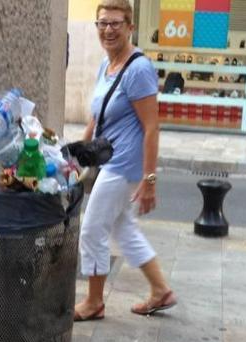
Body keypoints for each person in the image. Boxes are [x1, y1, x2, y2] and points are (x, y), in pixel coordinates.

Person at [73, 0, 176, 322]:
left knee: (91, 229)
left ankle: (93, 302)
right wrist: (76, 153)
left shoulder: (138, 69)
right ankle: (161, 290)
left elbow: (151, 127)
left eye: (116, 23)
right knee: (124, 228)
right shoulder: (107, 65)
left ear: (130, 27)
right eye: (102, 23)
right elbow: (98, 114)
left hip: (124, 165)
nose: (108, 30)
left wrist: (149, 181)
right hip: (109, 160)